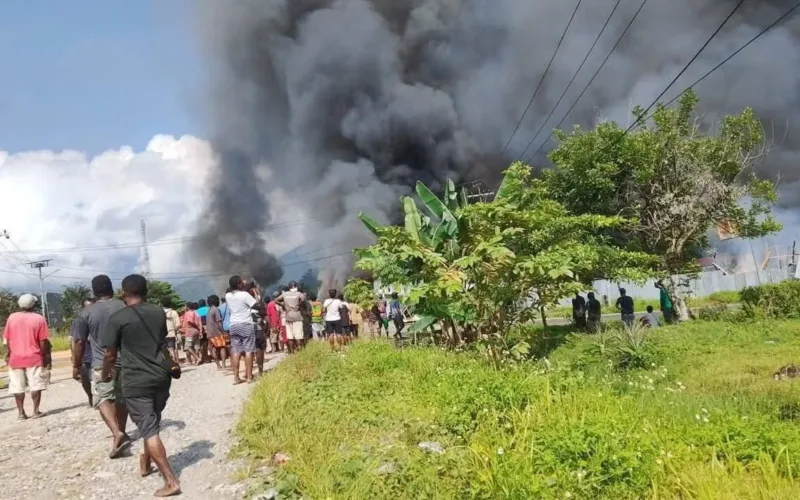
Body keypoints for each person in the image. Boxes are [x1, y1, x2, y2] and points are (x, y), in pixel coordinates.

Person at [101, 274, 180, 497]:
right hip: (161, 377)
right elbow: (161, 339)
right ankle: (146, 461)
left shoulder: (118, 318)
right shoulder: (157, 312)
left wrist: (106, 374)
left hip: (136, 381)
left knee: (148, 427)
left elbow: (110, 353)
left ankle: (171, 481)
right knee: (152, 421)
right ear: (146, 291)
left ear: (123, 292)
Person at [73, 275, 130, 458]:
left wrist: (76, 364)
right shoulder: (124, 306)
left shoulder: (86, 313)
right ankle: (122, 430)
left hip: (100, 363)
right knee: (122, 398)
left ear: (94, 291)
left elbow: (79, 342)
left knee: (102, 398)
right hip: (127, 361)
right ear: (111, 289)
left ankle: (116, 432)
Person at [4, 294, 50, 420]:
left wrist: (9, 353)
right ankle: (35, 411)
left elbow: (7, 339)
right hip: (33, 357)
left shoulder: (12, 318)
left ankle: (21, 413)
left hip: (15, 357)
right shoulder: (39, 319)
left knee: (17, 386)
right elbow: (43, 340)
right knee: (36, 385)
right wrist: (43, 355)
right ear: (33, 305)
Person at [226, 275, 259, 384]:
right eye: (242, 282)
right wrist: (255, 292)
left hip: (234, 325)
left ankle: (236, 378)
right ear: (240, 284)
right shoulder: (245, 295)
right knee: (249, 351)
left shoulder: (228, 296)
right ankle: (249, 377)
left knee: (236, 351)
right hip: (246, 324)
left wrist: (243, 285)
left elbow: (235, 291)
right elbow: (256, 305)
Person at [71, 297, 96, 407]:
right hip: (85, 357)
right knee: (86, 381)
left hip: (98, 357)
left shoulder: (99, 319)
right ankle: (90, 397)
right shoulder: (78, 321)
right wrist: (75, 361)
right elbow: (75, 341)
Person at [277, 282, 306, 353]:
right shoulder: (299, 293)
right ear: (296, 286)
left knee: (290, 337)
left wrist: (283, 306)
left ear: (289, 287)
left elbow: (276, 300)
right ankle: (300, 351)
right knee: (298, 335)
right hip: (297, 316)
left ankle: (292, 352)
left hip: (288, 316)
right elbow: (303, 300)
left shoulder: (284, 294)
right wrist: (298, 305)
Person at [247, 282, 267, 375]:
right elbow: (263, 312)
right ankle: (260, 371)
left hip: (246, 328)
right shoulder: (258, 303)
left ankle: (249, 374)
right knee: (259, 348)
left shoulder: (242, 301)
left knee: (248, 350)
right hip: (257, 328)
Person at [206, 295, 228, 370]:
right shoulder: (216, 310)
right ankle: (224, 365)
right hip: (217, 332)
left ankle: (218, 366)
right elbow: (219, 322)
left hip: (209, 333)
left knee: (213, 349)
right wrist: (224, 331)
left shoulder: (209, 310)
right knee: (222, 347)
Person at [161, 297, 181, 365]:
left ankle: (170, 364)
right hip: (171, 333)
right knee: (172, 349)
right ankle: (175, 363)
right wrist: (174, 329)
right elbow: (178, 324)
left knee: (165, 350)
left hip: (162, 334)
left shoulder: (160, 312)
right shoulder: (174, 312)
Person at [196, 299, 210, 363]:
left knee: (202, 343)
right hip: (209, 327)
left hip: (201, 328)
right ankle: (209, 356)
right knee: (208, 343)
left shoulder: (196, 312)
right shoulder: (208, 309)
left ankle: (203, 357)